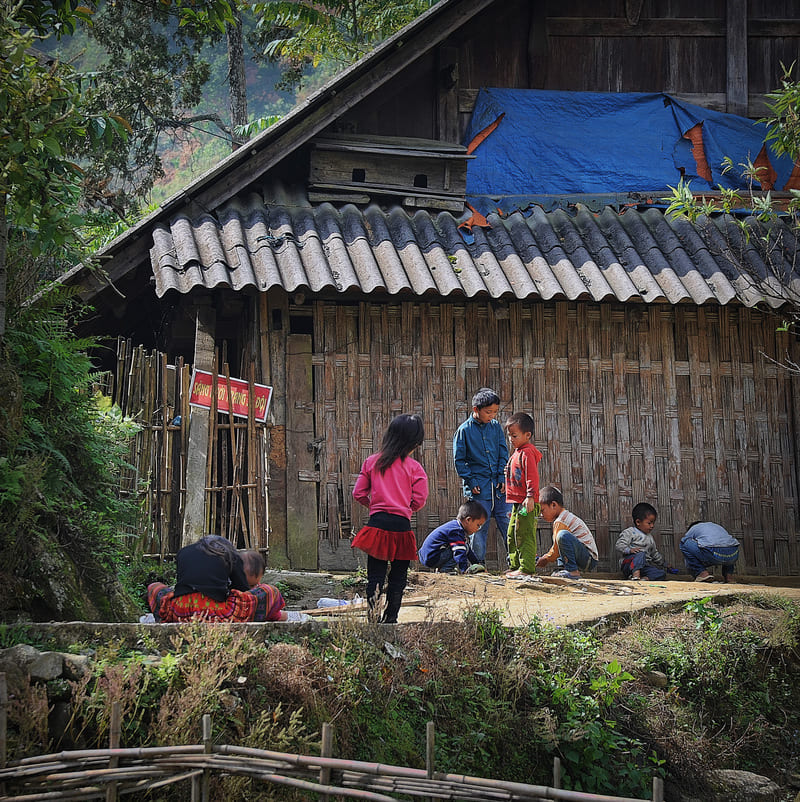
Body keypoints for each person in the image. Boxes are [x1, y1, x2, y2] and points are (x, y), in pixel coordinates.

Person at [351, 413, 429, 623]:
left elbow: (358, 493)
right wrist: (405, 508)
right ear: (415, 443)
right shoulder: (415, 468)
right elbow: (419, 500)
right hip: (401, 526)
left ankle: (373, 618)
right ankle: (391, 618)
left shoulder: (371, 462)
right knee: (398, 577)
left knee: (375, 576)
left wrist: (375, 506)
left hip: (378, 525)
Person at [147, 535, 288, 622]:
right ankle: (275, 614)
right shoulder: (228, 554)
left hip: (179, 611)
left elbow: (184, 583)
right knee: (270, 590)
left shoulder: (183, 552)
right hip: (216, 613)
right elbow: (241, 591)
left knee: (154, 587)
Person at [453, 388, 512, 565]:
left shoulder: (495, 428)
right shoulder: (463, 431)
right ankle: (477, 565)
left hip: (499, 488)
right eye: (488, 412)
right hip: (479, 489)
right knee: (478, 528)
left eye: (495, 412)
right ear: (476, 409)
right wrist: (471, 480)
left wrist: (503, 477)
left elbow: (503, 453)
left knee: (508, 525)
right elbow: (459, 460)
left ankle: (516, 563)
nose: (492, 416)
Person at [503, 412, 543, 578]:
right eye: (509, 436)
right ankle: (515, 566)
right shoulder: (517, 452)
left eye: (514, 435)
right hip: (516, 503)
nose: (511, 439)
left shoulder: (527, 453)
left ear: (527, 435)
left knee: (525, 534)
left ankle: (526, 568)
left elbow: (532, 476)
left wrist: (530, 496)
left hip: (526, 502)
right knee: (512, 534)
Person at [536, 485, 598, 579]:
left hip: (588, 559)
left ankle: (572, 571)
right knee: (562, 540)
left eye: (542, 510)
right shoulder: (564, 517)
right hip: (586, 557)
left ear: (553, 505)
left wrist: (545, 558)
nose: (541, 515)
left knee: (562, 536)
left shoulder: (561, 521)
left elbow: (555, 550)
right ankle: (563, 569)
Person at [418, 501, 487, 574]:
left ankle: (443, 569)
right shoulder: (456, 531)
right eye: (478, 525)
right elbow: (460, 552)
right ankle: (445, 571)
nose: (478, 529)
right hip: (432, 557)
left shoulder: (455, 527)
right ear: (468, 520)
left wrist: (476, 563)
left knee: (464, 547)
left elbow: (468, 551)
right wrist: (464, 570)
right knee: (461, 549)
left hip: (427, 556)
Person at [615, 502, 667, 581]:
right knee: (640, 554)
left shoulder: (650, 538)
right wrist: (629, 550)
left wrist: (664, 563)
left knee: (661, 573)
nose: (652, 526)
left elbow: (654, 554)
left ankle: (643, 579)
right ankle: (635, 575)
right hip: (629, 564)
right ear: (638, 522)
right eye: (649, 523)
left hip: (644, 567)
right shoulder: (630, 532)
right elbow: (619, 545)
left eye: (653, 523)